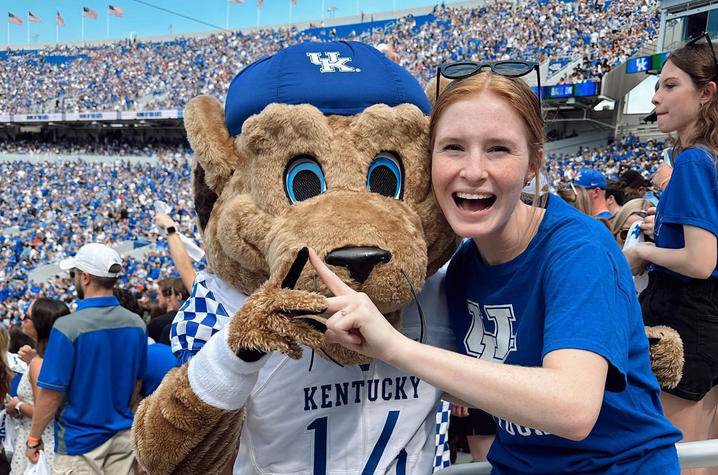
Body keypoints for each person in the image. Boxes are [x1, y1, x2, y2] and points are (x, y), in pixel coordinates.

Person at [312, 67, 682, 473]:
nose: (473, 170)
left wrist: (395, 348)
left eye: (498, 149)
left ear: (532, 163)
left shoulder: (580, 249)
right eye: (453, 147)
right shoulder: (463, 268)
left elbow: (573, 408)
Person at [623, 36, 718, 466]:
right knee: (703, 453)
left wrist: (646, 253)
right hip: (705, 320)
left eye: (668, 86)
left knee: (676, 456)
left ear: (705, 93)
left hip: (685, 320)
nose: (656, 97)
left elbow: (700, 262)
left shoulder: (695, 161)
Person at [25, 243, 146, 474]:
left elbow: (51, 394)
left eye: (75, 274)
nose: (74, 279)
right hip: (122, 437)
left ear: (86, 277)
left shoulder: (66, 327)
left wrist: (34, 438)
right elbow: (136, 386)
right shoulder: (137, 324)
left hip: (79, 443)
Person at [6, 297, 69, 475]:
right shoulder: (55, 356)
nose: (22, 319)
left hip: (39, 443)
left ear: (39, 324)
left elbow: (44, 411)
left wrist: (17, 404)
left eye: (27, 316)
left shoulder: (38, 363)